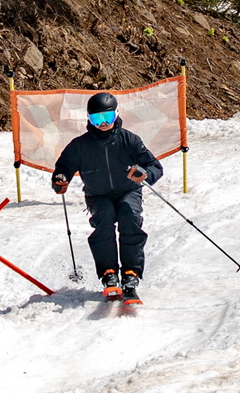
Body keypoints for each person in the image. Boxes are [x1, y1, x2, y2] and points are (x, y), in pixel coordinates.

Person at [52, 91, 163, 304]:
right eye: (97, 119)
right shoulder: (80, 145)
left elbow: (154, 166)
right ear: (89, 119)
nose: (103, 124)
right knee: (104, 220)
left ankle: (131, 273)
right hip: (98, 194)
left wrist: (145, 174)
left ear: (117, 114)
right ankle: (108, 273)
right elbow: (64, 167)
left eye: (108, 117)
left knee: (129, 217)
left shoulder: (129, 140)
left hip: (128, 191)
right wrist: (60, 179)